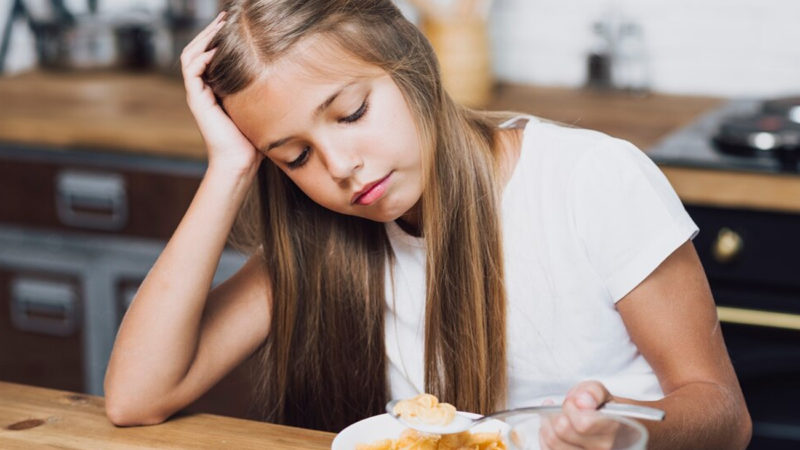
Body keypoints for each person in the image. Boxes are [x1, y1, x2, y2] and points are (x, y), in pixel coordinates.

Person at [103, 1, 751, 448]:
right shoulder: (317, 240)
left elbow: (724, 416)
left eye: (351, 112)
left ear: (414, 64)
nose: (341, 168)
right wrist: (229, 167)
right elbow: (136, 396)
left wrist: (626, 441)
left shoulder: (591, 180)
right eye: (294, 156)